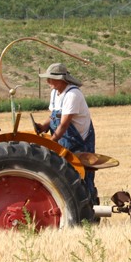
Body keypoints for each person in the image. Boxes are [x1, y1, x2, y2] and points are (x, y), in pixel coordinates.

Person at [36, 63, 98, 202]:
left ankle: (89, 207)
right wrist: (43, 126)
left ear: (61, 79)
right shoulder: (55, 93)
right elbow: (55, 116)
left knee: (82, 177)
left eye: (50, 78)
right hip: (63, 142)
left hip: (79, 143)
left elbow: (64, 124)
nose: (47, 82)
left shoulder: (73, 95)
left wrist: (52, 142)